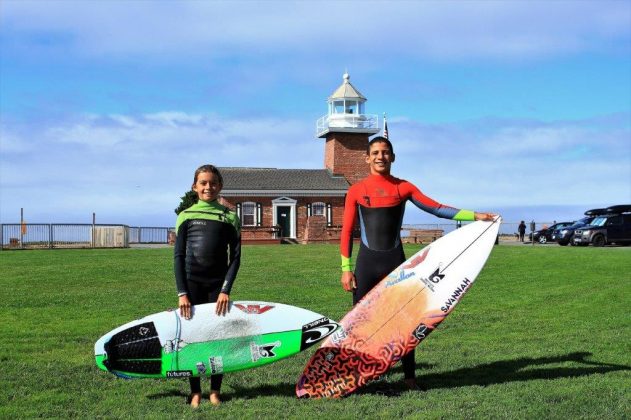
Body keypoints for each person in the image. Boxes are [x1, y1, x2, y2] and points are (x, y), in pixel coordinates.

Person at [339, 137, 496, 391]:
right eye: (376, 153)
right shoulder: (356, 190)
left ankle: (410, 378)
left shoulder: (404, 188)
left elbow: (437, 209)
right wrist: (346, 270)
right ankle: (357, 377)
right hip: (366, 265)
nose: (381, 157)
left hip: (396, 263)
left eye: (385, 153)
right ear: (367, 158)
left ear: (393, 157)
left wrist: (475, 216)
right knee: (359, 323)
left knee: (405, 322)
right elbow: (346, 231)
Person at [174, 164, 241, 407]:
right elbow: (179, 257)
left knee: (218, 338)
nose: (208, 187)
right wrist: (182, 293)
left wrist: (225, 289)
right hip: (192, 286)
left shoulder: (229, 216)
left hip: (217, 287)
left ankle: (214, 390)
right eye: (203, 183)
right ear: (195, 187)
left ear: (220, 186)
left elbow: (235, 258)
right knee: (192, 338)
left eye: (212, 183)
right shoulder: (186, 215)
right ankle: (195, 391)